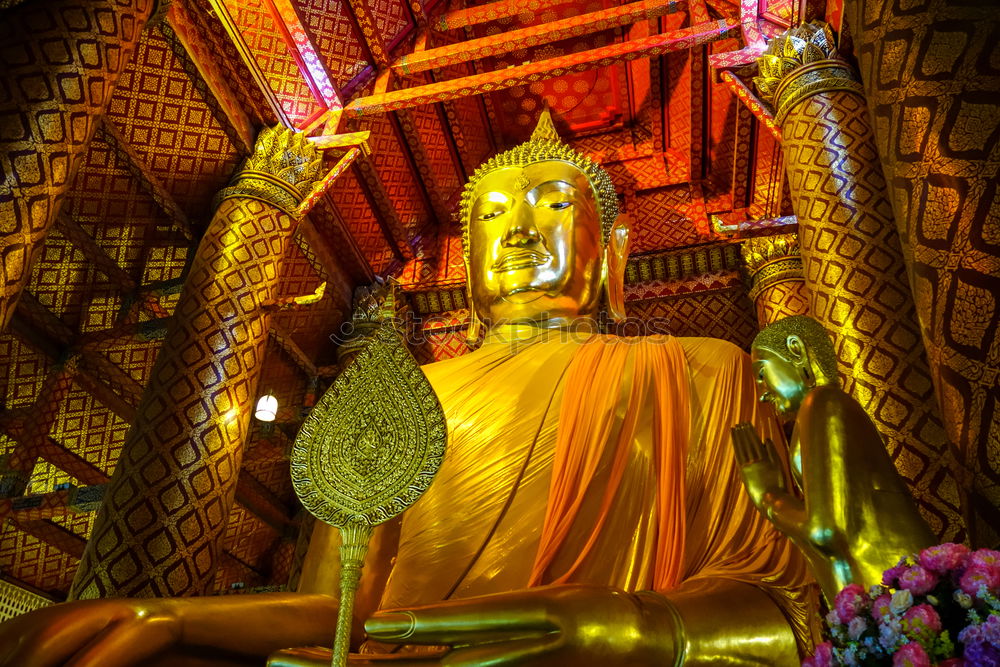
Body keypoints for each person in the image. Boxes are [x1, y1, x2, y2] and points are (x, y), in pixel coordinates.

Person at [0, 112, 814, 667]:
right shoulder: (401, 393)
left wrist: (640, 626)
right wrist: (171, 615)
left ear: (614, 254)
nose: (520, 231)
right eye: (492, 216)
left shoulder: (703, 369)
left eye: (552, 204)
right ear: (465, 258)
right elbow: (339, 611)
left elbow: (788, 606)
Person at [731, 315, 934, 602]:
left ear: (797, 351)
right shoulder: (813, 415)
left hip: (897, 595)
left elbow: (825, 532)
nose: (763, 394)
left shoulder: (823, 403)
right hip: (882, 598)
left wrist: (769, 496)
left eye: (762, 374)